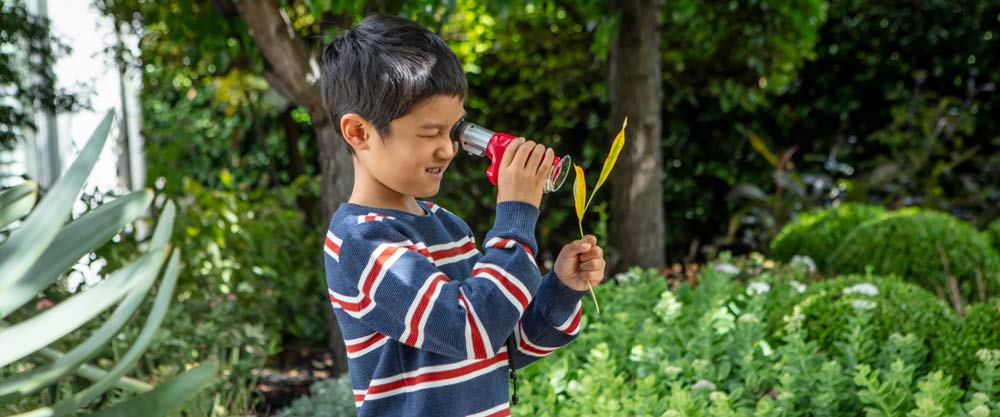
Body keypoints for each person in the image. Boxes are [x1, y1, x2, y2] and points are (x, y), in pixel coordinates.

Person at [320, 14, 607, 417]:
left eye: (455, 131)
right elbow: (469, 329)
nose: (448, 149)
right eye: (429, 132)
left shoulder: (448, 227)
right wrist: (516, 217)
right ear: (359, 133)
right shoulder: (360, 241)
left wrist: (560, 289)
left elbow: (502, 342)